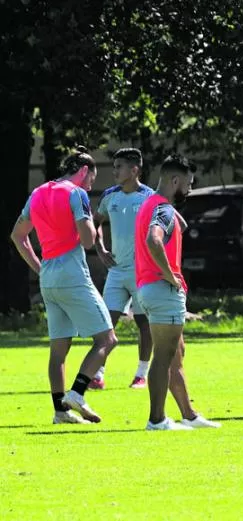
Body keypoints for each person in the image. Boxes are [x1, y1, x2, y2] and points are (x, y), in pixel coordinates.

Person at [9, 147, 118, 424]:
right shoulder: (76, 193)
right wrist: (90, 221)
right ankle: (78, 393)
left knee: (58, 351)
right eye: (91, 180)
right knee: (107, 339)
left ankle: (60, 411)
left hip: (49, 278)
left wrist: (39, 268)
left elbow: (18, 235)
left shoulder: (38, 193)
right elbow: (87, 240)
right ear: (83, 171)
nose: (90, 186)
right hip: (73, 275)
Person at [136, 155, 221, 431]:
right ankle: (157, 420)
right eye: (188, 183)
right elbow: (154, 239)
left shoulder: (150, 204)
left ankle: (189, 414)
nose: (191, 189)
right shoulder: (162, 209)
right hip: (162, 289)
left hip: (149, 289)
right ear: (175, 181)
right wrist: (170, 274)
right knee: (163, 355)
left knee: (176, 352)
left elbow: (173, 228)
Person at [91, 148, 155, 389]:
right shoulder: (109, 196)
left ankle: (141, 374)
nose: (115, 171)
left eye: (119, 167)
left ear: (135, 170)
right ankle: (97, 374)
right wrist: (101, 250)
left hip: (142, 273)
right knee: (106, 323)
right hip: (116, 272)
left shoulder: (149, 197)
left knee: (143, 324)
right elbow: (95, 223)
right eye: (114, 166)